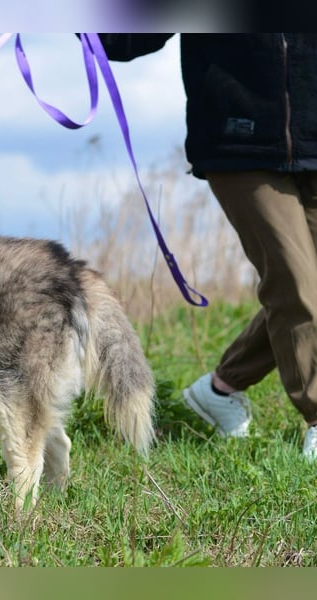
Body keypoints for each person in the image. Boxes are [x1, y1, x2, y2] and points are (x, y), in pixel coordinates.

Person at [95, 33, 317, 457]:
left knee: (306, 290)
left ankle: (221, 388)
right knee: (295, 281)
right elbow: (126, 38)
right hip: (240, 141)